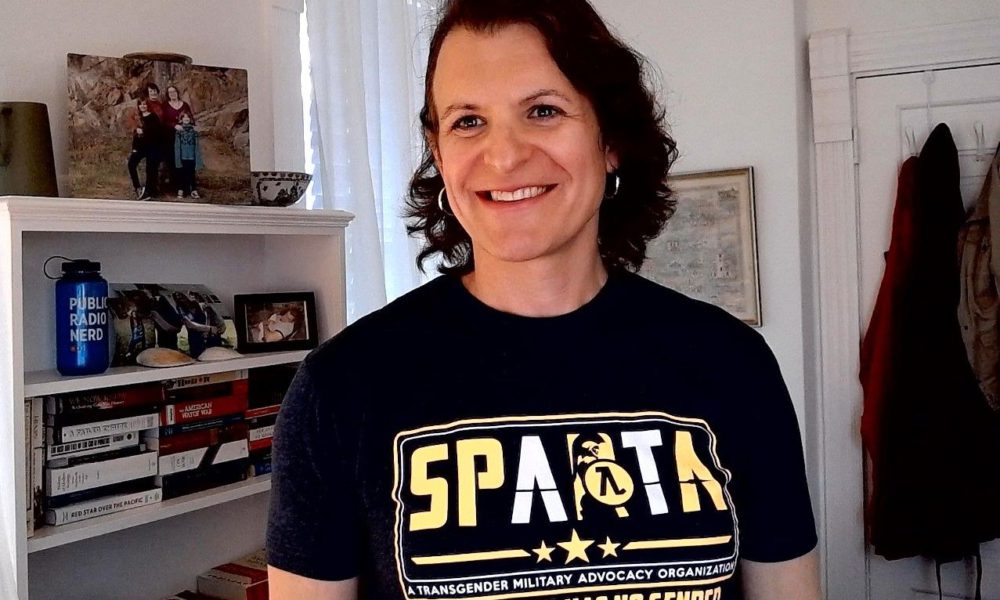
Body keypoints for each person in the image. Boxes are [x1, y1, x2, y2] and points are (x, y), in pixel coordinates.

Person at [266, 1, 820, 599]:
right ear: (439, 151)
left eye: (543, 111)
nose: (504, 156)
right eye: (468, 121)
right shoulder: (341, 387)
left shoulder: (732, 363)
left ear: (610, 139)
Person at [163, 85, 194, 194]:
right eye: (170, 92)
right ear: (168, 95)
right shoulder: (165, 105)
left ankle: (186, 186)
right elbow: (163, 121)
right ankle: (176, 186)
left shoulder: (184, 105)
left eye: (174, 91)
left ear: (177, 92)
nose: (172, 94)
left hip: (184, 137)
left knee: (185, 160)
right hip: (170, 137)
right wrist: (174, 125)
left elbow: (191, 118)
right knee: (173, 161)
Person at [127, 98, 160, 200]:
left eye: (144, 104)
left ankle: (150, 191)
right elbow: (135, 135)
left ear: (147, 105)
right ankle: (137, 188)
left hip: (152, 146)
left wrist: (144, 131)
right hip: (140, 147)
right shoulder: (137, 118)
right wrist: (134, 148)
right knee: (131, 164)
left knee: (151, 168)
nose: (143, 106)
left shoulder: (153, 116)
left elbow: (156, 131)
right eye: (140, 104)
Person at [173, 111, 203, 199]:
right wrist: (178, 158)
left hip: (192, 156)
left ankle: (193, 190)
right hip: (182, 156)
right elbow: (177, 146)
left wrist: (197, 158)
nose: (186, 119)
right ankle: (181, 189)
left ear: (190, 119)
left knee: (191, 173)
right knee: (182, 173)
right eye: (184, 117)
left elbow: (197, 145)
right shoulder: (179, 132)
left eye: (188, 117)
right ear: (181, 119)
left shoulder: (194, 131)